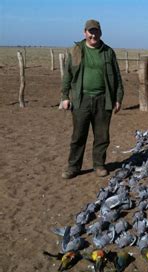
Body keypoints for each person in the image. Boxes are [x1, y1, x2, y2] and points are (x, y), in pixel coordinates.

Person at [61, 19, 124, 179]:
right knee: (78, 136)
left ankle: (99, 165)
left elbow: (117, 77)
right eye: (90, 31)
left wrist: (118, 98)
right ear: (85, 33)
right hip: (81, 99)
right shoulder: (76, 50)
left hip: (103, 99)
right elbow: (67, 74)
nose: (93, 34)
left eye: (96, 31)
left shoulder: (108, 52)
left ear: (100, 33)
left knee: (102, 136)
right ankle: (73, 167)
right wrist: (65, 96)